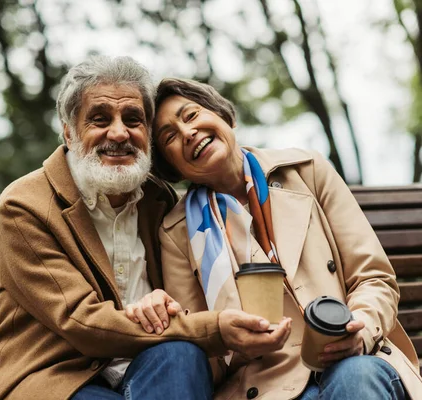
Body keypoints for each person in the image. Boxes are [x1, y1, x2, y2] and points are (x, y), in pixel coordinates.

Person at [0, 57, 293, 400]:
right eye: (99, 119)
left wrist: (169, 305)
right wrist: (214, 328)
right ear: (69, 131)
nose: (119, 133)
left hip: (153, 368)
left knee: (182, 354)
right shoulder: (25, 205)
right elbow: (80, 321)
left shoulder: (158, 200)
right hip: (57, 379)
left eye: (133, 119)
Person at [126, 77, 422, 399]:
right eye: (170, 137)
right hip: (264, 386)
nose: (187, 133)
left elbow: (373, 276)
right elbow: (204, 348)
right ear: (172, 167)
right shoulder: (177, 232)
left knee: (357, 378)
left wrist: (360, 330)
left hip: (356, 360)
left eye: (192, 115)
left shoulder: (308, 171)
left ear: (224, 115)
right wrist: (213, 332)